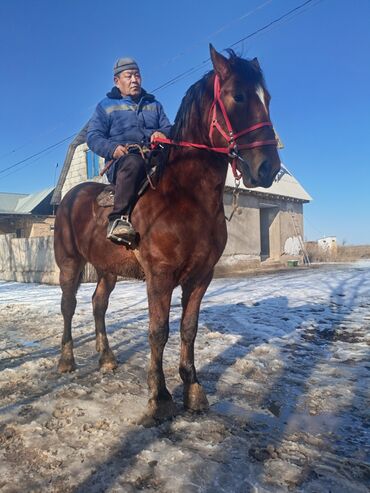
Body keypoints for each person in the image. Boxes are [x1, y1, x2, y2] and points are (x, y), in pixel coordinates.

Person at [87, 57, 172, 243]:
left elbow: (169, 128)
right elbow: (93, 137)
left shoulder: (154, 104)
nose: (135, 80)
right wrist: (112, 149)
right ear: (117, 81)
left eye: (137, 75)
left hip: (154, 155)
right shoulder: (105, 106)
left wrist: (162, 133)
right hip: (123, 161)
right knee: (134, 162)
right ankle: (118, 219)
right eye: (129, 76)